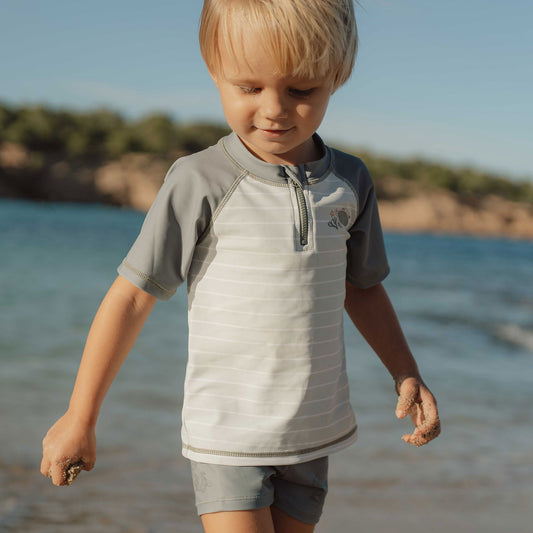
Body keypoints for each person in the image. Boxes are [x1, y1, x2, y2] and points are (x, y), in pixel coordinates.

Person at [41, 0, 441, 531]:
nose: (274, 109)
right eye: (249, 88)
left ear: (337, 77)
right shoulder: (200, 180)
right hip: (228, 433)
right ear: (214, 70)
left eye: (301, 90)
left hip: (312, 431)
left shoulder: (350, 181)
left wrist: (405, 371)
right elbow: (133, 295)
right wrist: (80, 415)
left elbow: (361, 287)